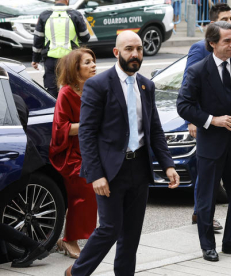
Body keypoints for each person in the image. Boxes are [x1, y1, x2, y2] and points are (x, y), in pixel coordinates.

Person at [64, 30, 180, 276]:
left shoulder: (146, 86)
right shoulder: (98, 85)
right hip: (109, 170)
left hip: (139, 167)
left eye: (138, 48)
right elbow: (86, 133)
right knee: (109, 228)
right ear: (117, 52)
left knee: (131, 234)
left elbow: (155, 129)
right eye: (129, 49)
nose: (135, 54)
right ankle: (77, 273)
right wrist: (96, 174)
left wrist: (168, 165)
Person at [177, 21, 231, 262]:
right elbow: (183, 105)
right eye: (227, 41)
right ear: (212, 44)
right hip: (210, 144)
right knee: (206, 198)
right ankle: (208, 246)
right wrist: (211, 120)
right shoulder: (198, 70)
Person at [183, 2, 231, 232]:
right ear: (213, 25)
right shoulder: (200, 48)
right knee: (208, 172)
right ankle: (201, 213)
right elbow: (190, 84)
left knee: (223, 172)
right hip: (208, 120)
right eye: (225, 19)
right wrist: (194, 119)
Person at [49, 48, 98, 259]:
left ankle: (69, 236)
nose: (93, 65)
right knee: (85, 189)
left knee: (93, 191)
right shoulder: (66, 93)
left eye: (93, 61)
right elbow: (62, 129)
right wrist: (89, 124)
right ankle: (69, 240)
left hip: (90, 150)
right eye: (87, 62)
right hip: (69, 153)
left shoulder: (93, 89)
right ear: (75, 69)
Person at [0, 95, 48, 268]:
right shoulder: (15, 98)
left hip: (14, 165)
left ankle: (33, 246)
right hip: (20, 162)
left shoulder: (5, 99)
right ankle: (4, 254)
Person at [32, 0, 90, 98]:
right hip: (71, 59)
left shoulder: (44, 15)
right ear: (67, 1)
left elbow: (38, 39)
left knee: (52, 91)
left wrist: (35, 59)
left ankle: (54, 111)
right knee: (73, 88)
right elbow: (85, 37)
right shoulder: (75, 14)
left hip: (51, 59)